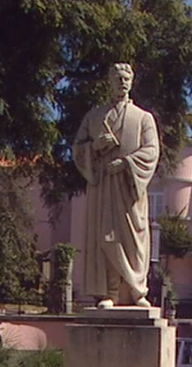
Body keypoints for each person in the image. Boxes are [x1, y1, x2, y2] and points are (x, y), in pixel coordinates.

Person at [72, 62, 160, 309]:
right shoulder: (94, 116)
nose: (122, 82)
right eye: (117, 78)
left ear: (131, 82)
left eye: (126, 78)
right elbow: (78, 148)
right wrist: (95, 147)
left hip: (130, 189)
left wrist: (126, 163)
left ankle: (136, 291)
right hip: (103, 188)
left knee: (133, 240)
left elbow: (152, 151)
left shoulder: (143, 118)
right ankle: (109, 293)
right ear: (109, 82)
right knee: (106, 238)